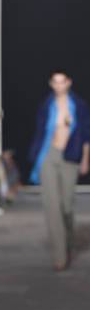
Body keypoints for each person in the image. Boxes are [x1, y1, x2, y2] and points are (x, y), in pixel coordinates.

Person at [28, 70, 90, 270]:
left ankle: (68, 241)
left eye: (62, 81)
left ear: (69, 83)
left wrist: (85, 160)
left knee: (66, 206)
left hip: (70, 156)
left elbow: (86, 135)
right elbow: (40, 131)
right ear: (51, 84)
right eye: (55, 82)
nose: (59, 85)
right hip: (48, 155)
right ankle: (60, 256)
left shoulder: (79, 105)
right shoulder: (47, 105)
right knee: (52, 205)